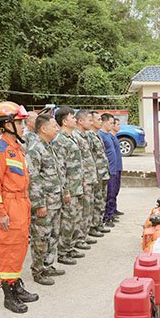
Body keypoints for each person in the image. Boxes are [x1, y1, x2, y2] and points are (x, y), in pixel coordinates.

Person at [0, 101, 38, 313]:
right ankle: (9, 295)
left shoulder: (15, 148)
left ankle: (16, 284)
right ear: (7, 124)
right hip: (8, 205)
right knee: (8, 249)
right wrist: (0, 212)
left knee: (19, 246)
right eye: (19, 122)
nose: (23, 126)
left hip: (21, 202)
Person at [26, 114, 68, 286]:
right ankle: (38, 270)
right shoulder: (35, 148)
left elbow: (57, 173)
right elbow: (33, 178)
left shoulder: (48, 146)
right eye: (54, 126)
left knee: (53, 235)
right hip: (44, 202)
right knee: (41, 237)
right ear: (43, 128)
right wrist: (39, 204)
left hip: (55, 200)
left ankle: (48, 265)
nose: (57, 129)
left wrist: (64, 192)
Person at [53, 107, 88, 260]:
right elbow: (60, 168)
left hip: (77, 186)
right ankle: (63, 251)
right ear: (64, 121)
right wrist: (65, 190)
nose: (75, 120)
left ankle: (70, 246)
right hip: (69, 188)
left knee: (74, 219)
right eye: (72, 118)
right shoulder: (60, 140)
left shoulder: (71, 137)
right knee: (67, 220)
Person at [74, 110, 101, 241]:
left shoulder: (86, 136)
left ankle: (85, 233)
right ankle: (79, 237)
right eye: (89, 120)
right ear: (80, 121)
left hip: (90, 178)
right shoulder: (76, 137)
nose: (91, 123)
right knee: (82, 209)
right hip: (83, 179)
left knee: (88, 207)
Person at [88, 111, 111, 235]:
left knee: (101, 199)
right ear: (91, 121)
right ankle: (93, 226)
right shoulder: (90, 136)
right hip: (96, 174)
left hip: (103, 173)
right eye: (98, 119)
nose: (101, 122)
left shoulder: (97, 135)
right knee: (96, 200)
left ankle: (99, 223)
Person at [98, 113, 118, 227]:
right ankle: (106, 217)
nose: (112, 125)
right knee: (108, 195)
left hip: (113, 169)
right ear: (104, 122)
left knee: (112, 194)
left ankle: (110, 215)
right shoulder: (101, 135)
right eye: (110, 123)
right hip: (107, 170)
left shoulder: (109, 135)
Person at [110, 118, 124, 217]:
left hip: (118, 167)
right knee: (112, 191)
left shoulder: (114, 137)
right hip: (113, 168)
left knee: (116, 189)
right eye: (117, 124)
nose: (119, 126)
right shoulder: (110, 137)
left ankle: (114, 208)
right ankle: (110, 212)